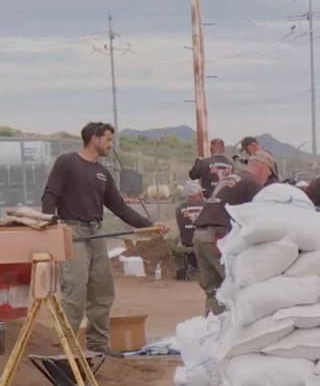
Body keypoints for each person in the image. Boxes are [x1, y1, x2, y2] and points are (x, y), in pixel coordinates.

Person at [41, 122, 167, 355]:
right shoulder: (67, 162)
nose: (111, 145)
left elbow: (121, 208)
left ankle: (98, 347)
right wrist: (49, 226)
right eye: (108, 140)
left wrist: (150, 226)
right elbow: (50, 196)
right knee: (75, 291)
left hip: (96, 233)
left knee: (102, 291)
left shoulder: (102, 173)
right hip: (72, 232)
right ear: (94, 139)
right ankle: (67, 349)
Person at [191, 153, 272, 314]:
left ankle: (211, 331)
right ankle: (231, 334)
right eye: (269, 174)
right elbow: (263, 216)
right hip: (218, 237)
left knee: (214, 292)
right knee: (233, 287)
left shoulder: (231, 178)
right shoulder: (252, 183)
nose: (267, 179)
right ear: (262, 168)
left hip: (200, 235)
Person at [174, 182, 204, 280]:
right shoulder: (207, 204)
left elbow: (181, 226)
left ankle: (190, 270)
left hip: (187, 242)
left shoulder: (180, 208)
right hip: (202, 241)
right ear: (199, 194)